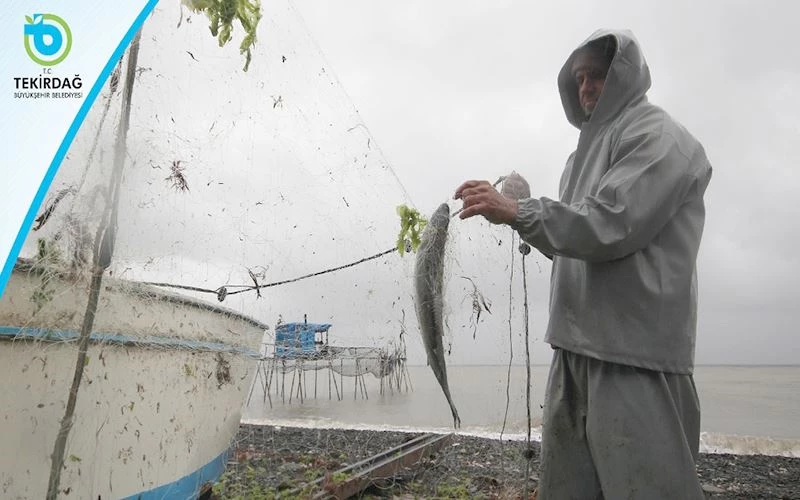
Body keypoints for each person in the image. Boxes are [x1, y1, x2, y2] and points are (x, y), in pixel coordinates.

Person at [455, 29, 712, 499]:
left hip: (634, 358)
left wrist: (519, 211)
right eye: (579, 78)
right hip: (572, 352)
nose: (587, 86)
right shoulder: (578, 159)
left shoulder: (662, 138)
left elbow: (612, 224)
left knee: (649, 488)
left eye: (598, 74)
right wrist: (523, 210)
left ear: (625, 75)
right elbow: (577, 247)